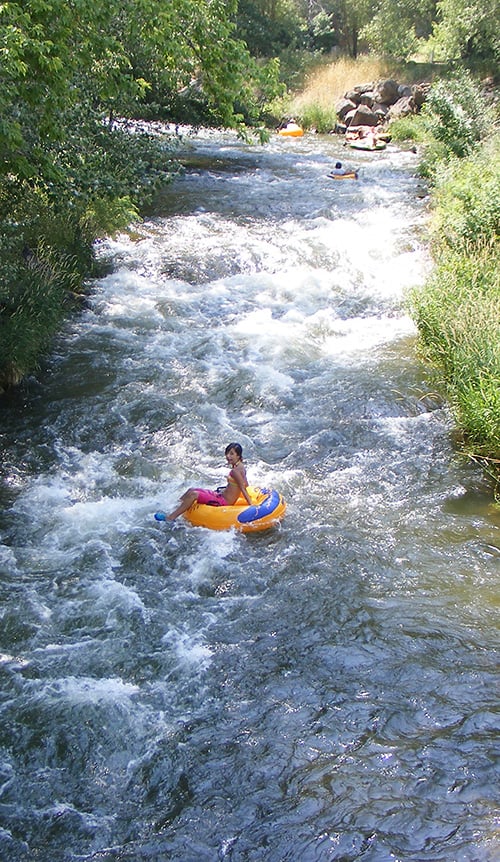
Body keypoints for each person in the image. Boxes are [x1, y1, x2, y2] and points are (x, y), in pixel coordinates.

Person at [157, 443, 252, 522]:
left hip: (223, 502)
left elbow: (243, 487)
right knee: (191, 490)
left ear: (238, 456)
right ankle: (175, 509)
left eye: (232, 454)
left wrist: (251, 505)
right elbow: (245, 484)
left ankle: (171, 518)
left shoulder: (235, 471)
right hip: (220, 496)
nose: (228, 456)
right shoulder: (241, 467)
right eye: (227, 453)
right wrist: (231, 486)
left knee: (194, 494)